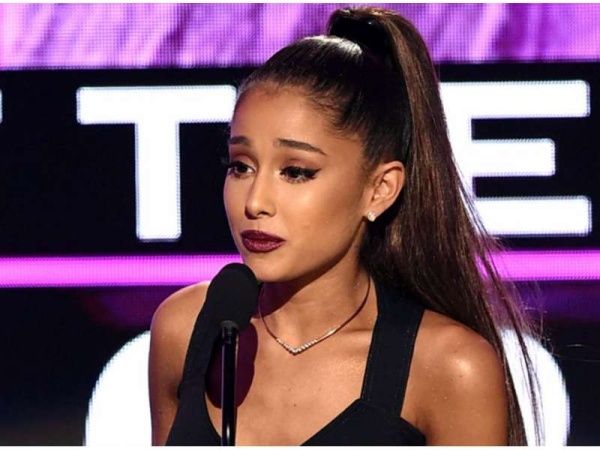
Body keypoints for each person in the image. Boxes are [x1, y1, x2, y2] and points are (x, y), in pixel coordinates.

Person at [149, 6, 539, 446]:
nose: (255, 202)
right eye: (241, 166)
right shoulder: (185, 329)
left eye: (296, 172)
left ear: (380, 190)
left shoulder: (449, 367)